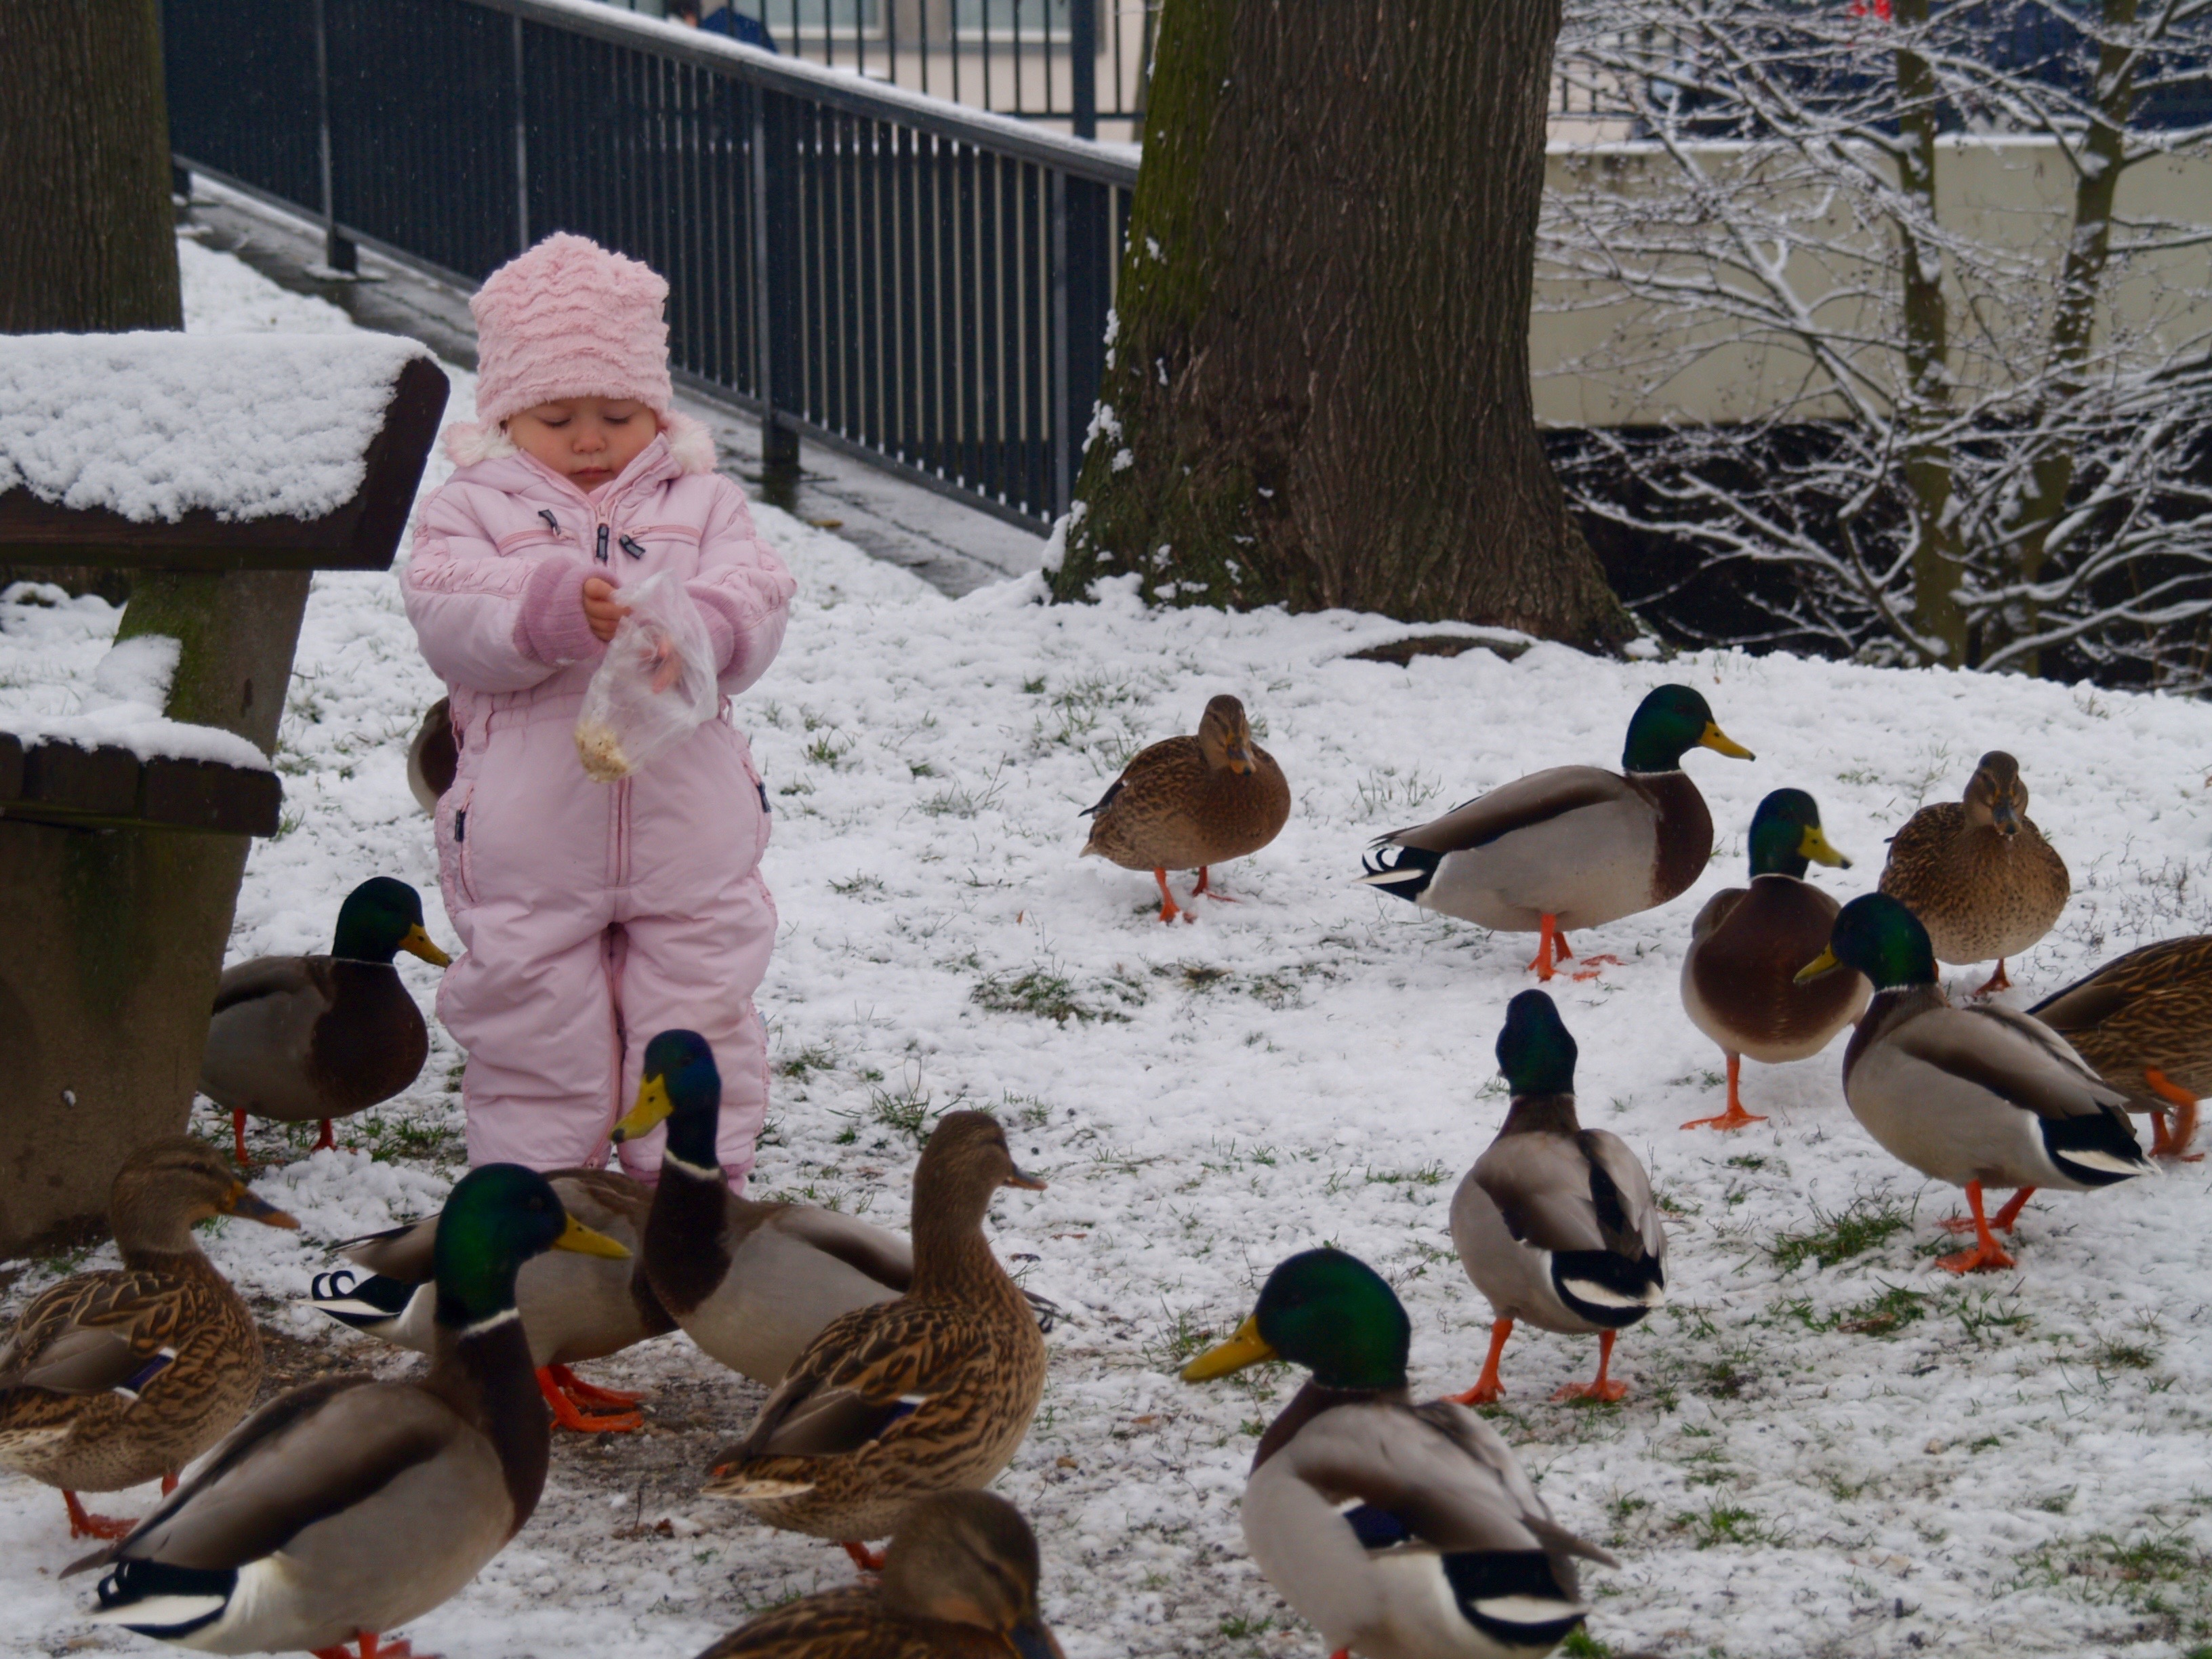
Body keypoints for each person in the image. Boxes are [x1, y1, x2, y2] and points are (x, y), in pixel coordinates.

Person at [403, 232, 794, 1187]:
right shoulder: (470, 510)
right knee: (532, 1009)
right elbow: (445, 608)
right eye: (558, 416)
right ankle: (541, 1190)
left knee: (700, 1002)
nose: (589, 439)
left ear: (653, 411)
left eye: (617, 415)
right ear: (505, 416)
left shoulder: (701, 502)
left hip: (687, 827)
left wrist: (696, 628)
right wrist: (545, 610)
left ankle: (690, 1184)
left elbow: (759, 592)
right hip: (533, 833)